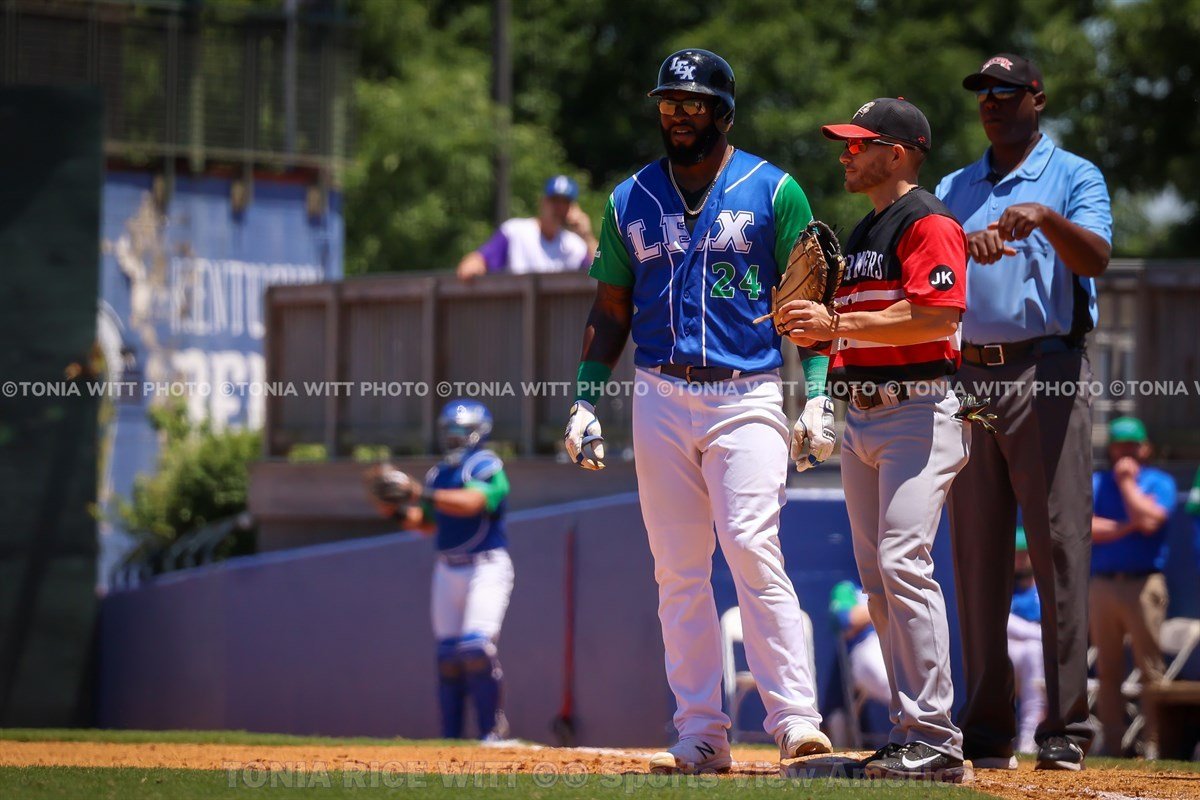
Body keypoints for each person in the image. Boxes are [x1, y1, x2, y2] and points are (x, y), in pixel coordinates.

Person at [563, 48, 836, 774]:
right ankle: (702, 733)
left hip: (747, 391)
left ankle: (796, 722)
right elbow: (611, 306)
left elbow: (812, 302)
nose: (679, 115)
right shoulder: (629, 197)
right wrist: (585, 399)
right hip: (658, 391)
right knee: (678, 570)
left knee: (751, 547)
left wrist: (818, 392)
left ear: (724, 113)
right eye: (669, 103)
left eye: (693, 103)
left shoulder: (775, 190)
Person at [935, 52, 1112, 772]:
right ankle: (984, 728)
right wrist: (960, 245)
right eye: (984, 92)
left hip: (1048, 370)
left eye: (1007, 92)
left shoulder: (1073, 175)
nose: (993, 102)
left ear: (1038, 98)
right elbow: (931, 275)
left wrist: (1045, 218)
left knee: (1058, 548)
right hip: (970, 376)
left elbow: (1095, 257)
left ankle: (1065, 727)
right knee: (976, 553)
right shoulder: (954, 186)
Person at [787, 97, 970, 782]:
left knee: (902, 563)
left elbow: (936, 315)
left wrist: (836, 324)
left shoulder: (928, 222)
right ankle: (908, 735)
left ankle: (936, 737)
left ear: (897, 153)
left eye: (859, 143)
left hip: (918, 411)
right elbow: (851, 326)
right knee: (878, 584)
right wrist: (821, 393)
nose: (847, 153)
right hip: (862, 415)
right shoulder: (866, 230)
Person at [372, 400, 515, 742]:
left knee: (476, 649)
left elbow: (474, 502)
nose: (453, 437)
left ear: (478, 432)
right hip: (448, 568)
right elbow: (427, 523)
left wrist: (419, 492)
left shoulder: (486, 464)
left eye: (460, 431)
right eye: (449, 431)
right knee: (448, 656)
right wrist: (394, 510)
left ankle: (491, 732)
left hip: (485, 566)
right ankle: (450, 740)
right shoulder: (438, 474)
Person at [1090, 416, 1177, 757]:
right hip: (1103, 584)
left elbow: (1152, 521)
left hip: (1144, 584)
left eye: (1131, 445)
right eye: (1119, 446)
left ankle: (1155, 744)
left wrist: (1127, 484)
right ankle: (1113, 745)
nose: (1124, 452)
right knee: (1107, 670)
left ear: (1145, 448)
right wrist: (1130, 525)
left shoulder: (1160, 481)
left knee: (1150, 669)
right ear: (1110, 449)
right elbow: (1086, 526)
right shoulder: (1097, 481)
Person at [456, 176, 597, 279]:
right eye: (554, 201)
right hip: (517, 310)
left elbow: (603, 274)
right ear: (542, 202)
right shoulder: (515, 231)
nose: (558, 208)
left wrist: (587, 236)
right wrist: (474, 264)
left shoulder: (575, 245)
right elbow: (479, 260)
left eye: (564, 202)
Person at [1009, 527, 1047, 755]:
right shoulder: (1006, 587)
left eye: (1025, 553)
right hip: (1010, 651)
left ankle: (1028, 737)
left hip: (1039, 655)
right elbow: (1004, 623)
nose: (1021, 559)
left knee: (1033, 651)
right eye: (1017, 553)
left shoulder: (1043, 586)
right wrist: (1038, 633)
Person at [830, 580, 889, 707]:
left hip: (894, 644)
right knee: (896, 686)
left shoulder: (890, 584)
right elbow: (846, 619)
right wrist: (888, 606)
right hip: (865, 646)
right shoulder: (848, 588)